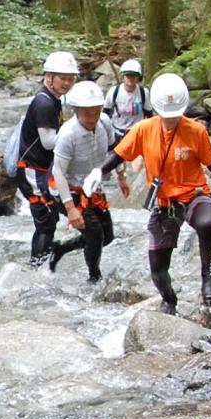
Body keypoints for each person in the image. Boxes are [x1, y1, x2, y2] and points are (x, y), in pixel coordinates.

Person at [94, 72, 211, 313]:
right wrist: (98, 172)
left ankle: (209, 285)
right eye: (166, 114)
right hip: (165, 202)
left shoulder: (196, 131)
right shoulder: (144, 129)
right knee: (157, 266)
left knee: (207, 224)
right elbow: (121, 155)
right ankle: (169, 299)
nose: (171, 119)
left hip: (195, 195)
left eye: (175, 114)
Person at [50, 80, 130, 282]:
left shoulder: (104, 122)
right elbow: (58, 172)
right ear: (76, 110)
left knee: (107, 236)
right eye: (87, 112)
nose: (92, 117)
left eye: (96, 111)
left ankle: (62, 247)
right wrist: (70, 208)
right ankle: (94, 277)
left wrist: (121, 176)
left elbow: (115, 151)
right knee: (95, 235)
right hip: (70, 191)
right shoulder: (68, 134)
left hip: (93, 188)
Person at [13, 51, 80, 267]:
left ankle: (44, 265)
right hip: (32, 170)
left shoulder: (53, 100)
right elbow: (48, 142)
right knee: (45, 223)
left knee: (49, 220)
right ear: (49, 76)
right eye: (63, 78)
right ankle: (35, 268)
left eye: (71, 79)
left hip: (43, 170)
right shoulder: (44, 103)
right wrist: (73, 131)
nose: (67, 83)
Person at [104, 59, 147, 139]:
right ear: (123, 76)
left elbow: (149, 114)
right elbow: (106, 112)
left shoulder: (143, 92)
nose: (131, 78)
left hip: (137, 132)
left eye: (134, 75)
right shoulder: (114, 91)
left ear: (138, 77)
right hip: (117, 132)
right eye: (128, 75)